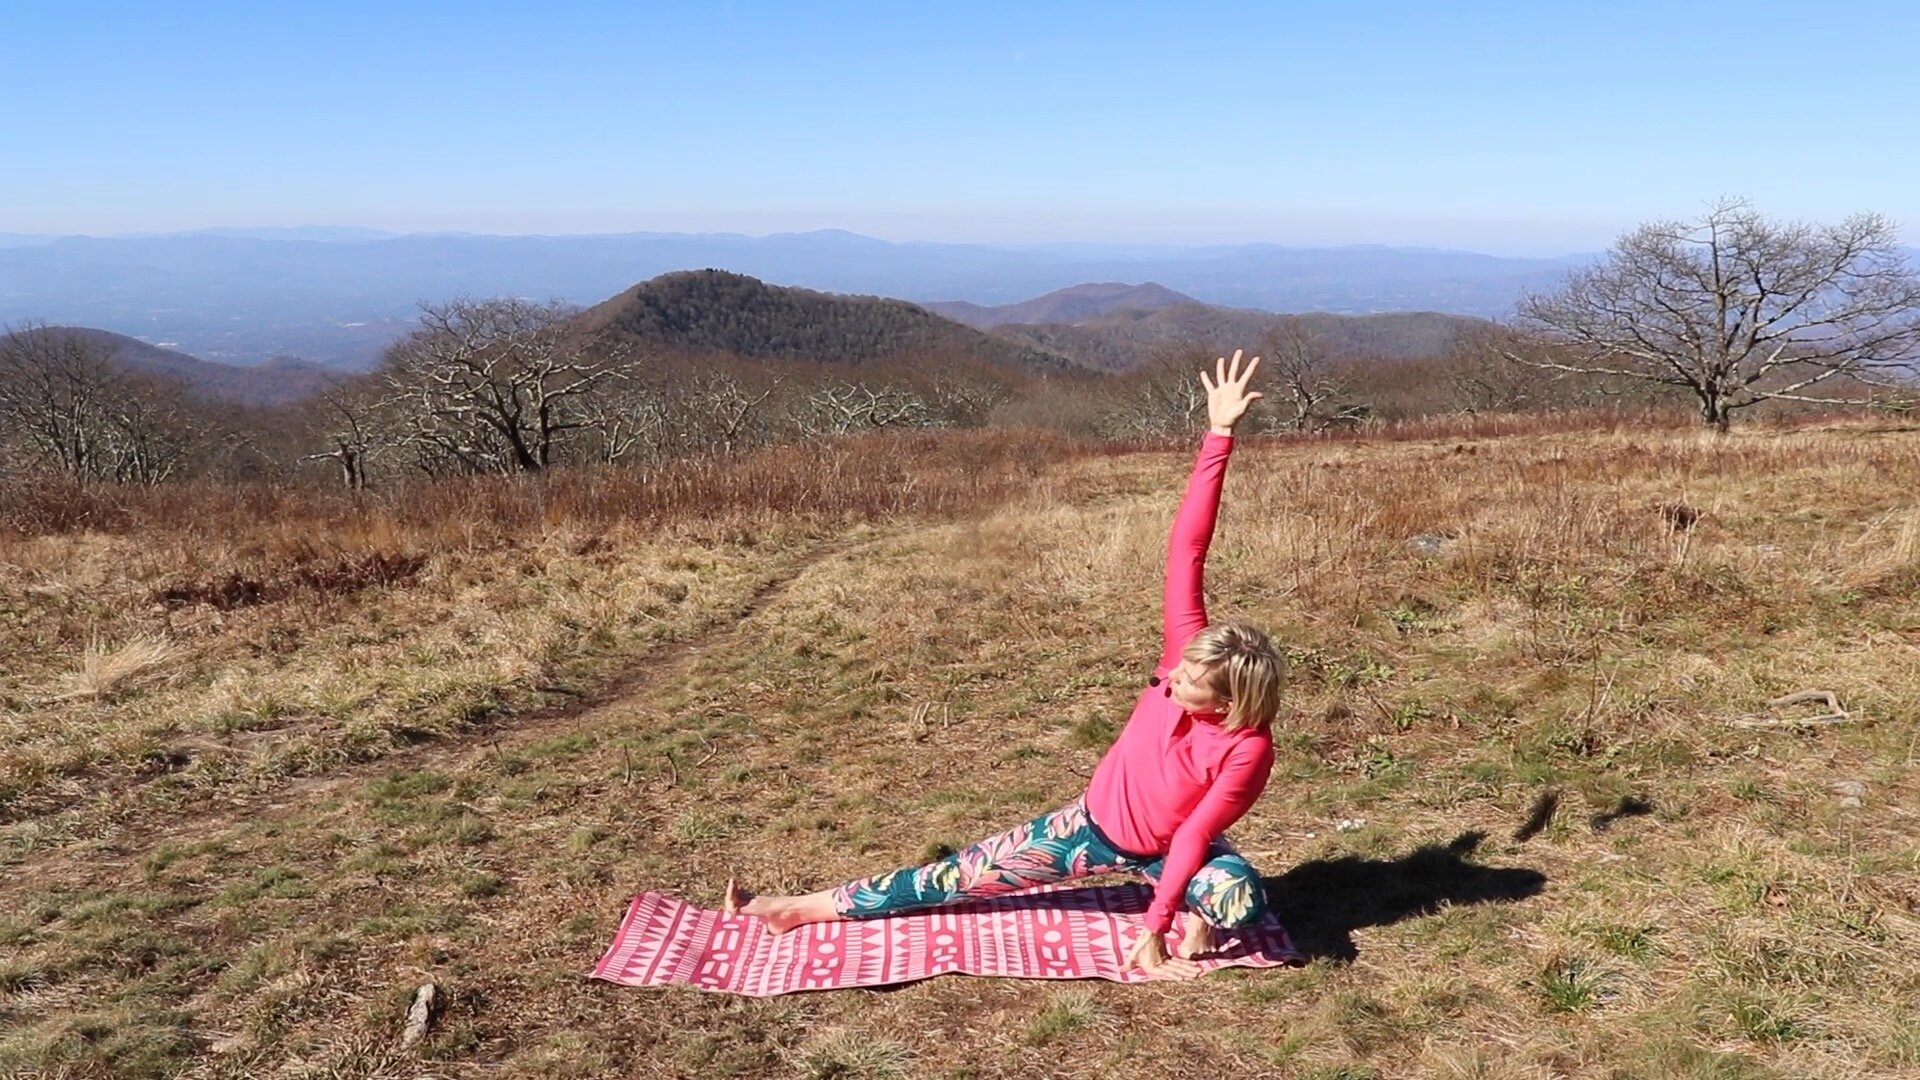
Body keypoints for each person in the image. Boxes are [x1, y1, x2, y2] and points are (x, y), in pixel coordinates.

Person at [726, 350, 1285, 979]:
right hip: (1090, 826)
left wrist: (1158, 926)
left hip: (1173, 849)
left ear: (1226, 705)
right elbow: (1188, 547)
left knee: (1239, 896)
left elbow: (1190, 834)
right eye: (1179, 668)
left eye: (1187, 684)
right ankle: (797, 908)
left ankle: (1197, 910)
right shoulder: (1184, 649)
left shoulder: (1247, 750)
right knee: (949, 880)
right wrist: (1219, 434)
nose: (1170, 678)